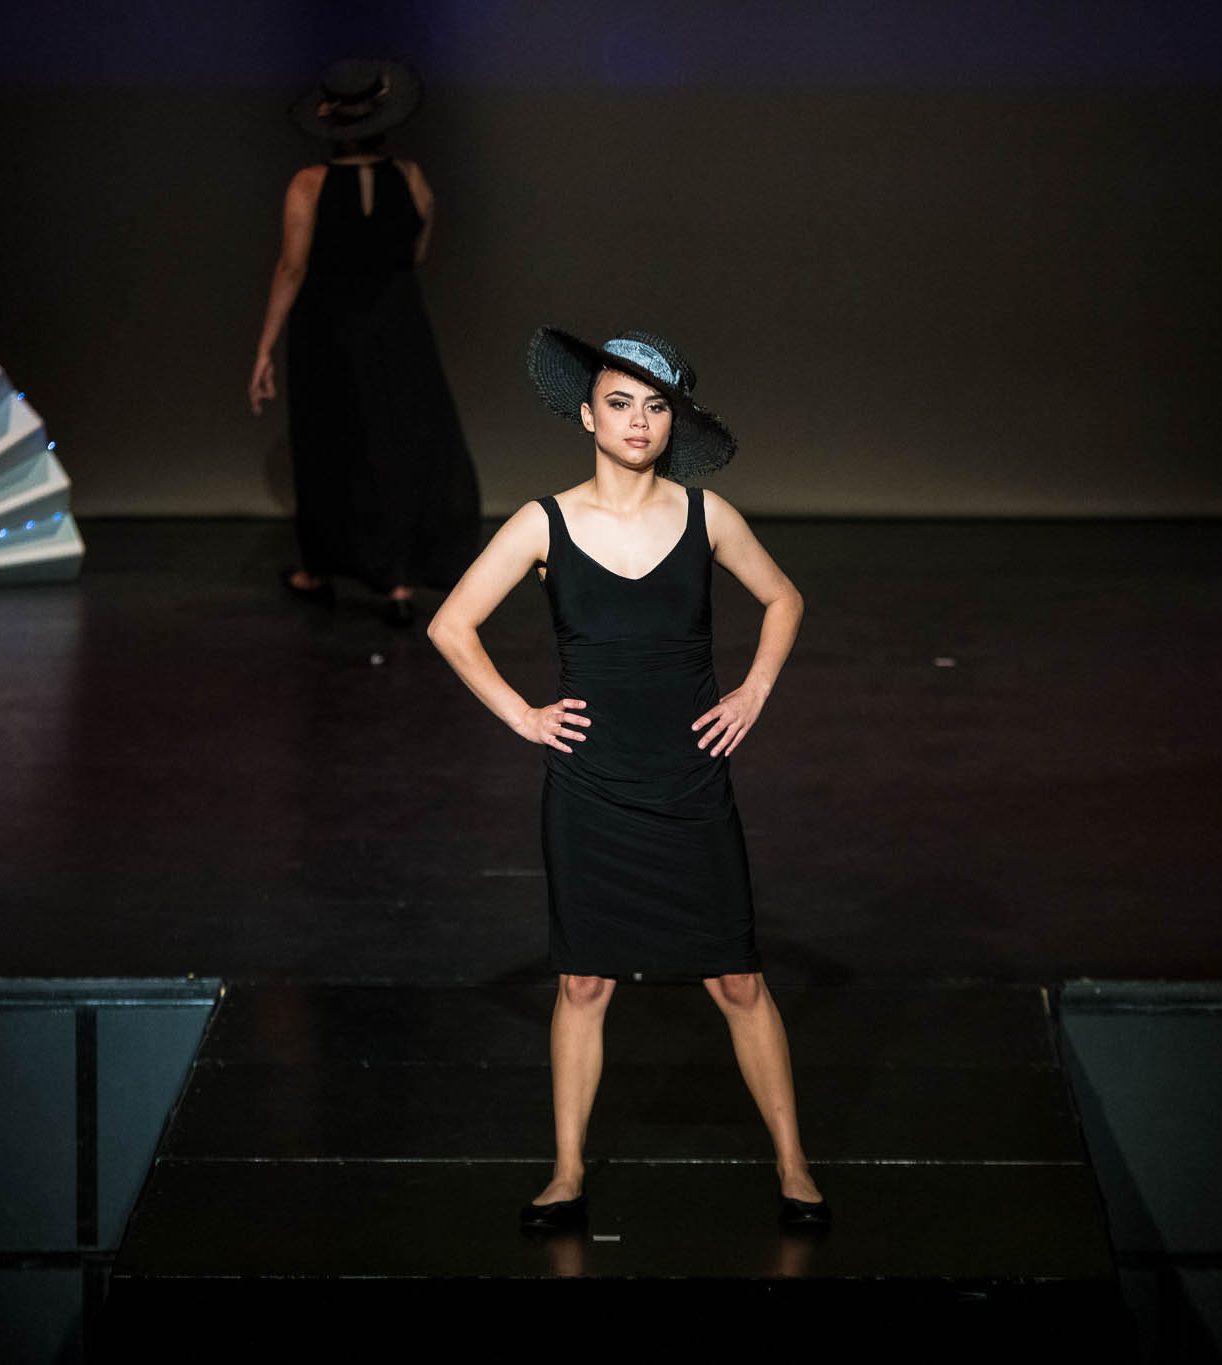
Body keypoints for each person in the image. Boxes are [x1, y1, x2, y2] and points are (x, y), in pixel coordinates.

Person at [426, 326, 827, 1228]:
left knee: (736, 979)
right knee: (583, 982)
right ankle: (567, 1173)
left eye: (655, 405)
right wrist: (522, 715)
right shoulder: (544, 522)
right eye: (619, 402)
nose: (638, 420)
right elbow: (450, 624)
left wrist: (755, 689)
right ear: (586, 416)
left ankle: (794, 1165)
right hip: (590, 783)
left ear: (672, 421)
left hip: (688, 779)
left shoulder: (706, 515)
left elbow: (784, 596)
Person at [249, 57, 480, 627]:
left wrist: (264, 347)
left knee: (330, 443)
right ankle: (398, 581)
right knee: (398, 442)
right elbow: (416, 252)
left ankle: (320, 572)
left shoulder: (309, 184)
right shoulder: (412, 177)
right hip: (399, 325)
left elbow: (291, 269)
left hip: (328, 330)